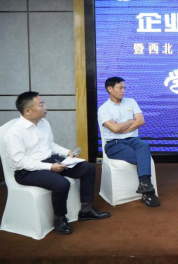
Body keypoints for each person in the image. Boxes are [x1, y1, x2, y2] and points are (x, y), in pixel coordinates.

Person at [5, 92, 110, 235]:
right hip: (27, 171)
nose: (45, 107)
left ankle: (86, 210)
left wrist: (67, 152)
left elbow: (51, 145)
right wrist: (50, 167)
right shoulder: (14, 132)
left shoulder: (43, 123)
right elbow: (19, 162)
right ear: (28, 111)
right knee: (61, 184)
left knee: (88, 168)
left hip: (49, 161)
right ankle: (60, 218)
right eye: (41, 104)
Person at [98, 77, 160, 207]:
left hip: (133, 139)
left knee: (144, 146)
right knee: (141, 157)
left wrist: (121, 128)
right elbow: (114, 129)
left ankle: (144, 185)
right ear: (110, 89)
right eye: (120, 88)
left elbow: (141, 121)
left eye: (124, 88)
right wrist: (131, 121)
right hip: (114, 144)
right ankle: (148, 192)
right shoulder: (104, 109)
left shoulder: (131, 102)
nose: (123, 90)